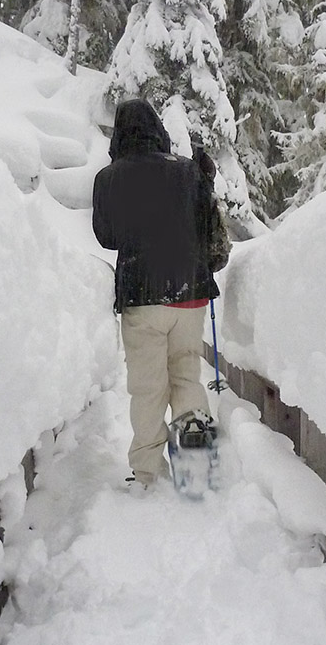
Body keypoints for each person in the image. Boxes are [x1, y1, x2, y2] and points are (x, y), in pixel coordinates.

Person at [92, 99, 228, 488]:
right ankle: (195, 453)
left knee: (149, 386)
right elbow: (206, 227)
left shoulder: (109, 178)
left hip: (141, 294)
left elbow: (107, 237)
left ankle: (148, 473)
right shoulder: (187, 171)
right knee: (185, 371)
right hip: (190, 293)